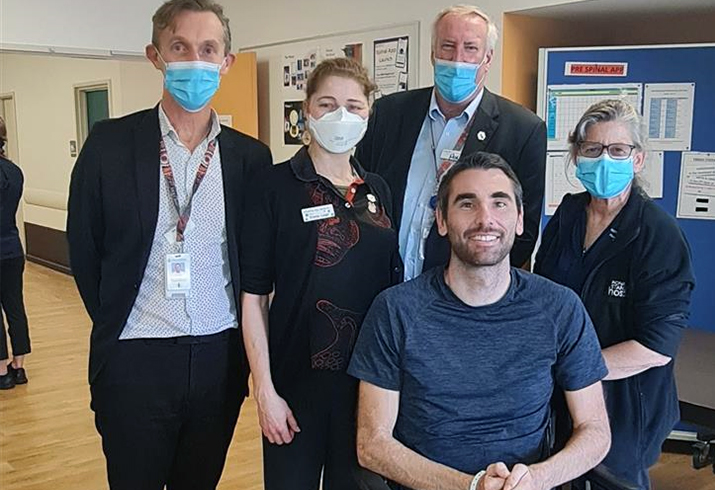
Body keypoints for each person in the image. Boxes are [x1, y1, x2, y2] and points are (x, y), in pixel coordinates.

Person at [66, 0, 272, 488]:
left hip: (219, 359)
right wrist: (120, 322)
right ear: (155, 55)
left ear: (227, 62)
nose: (195, 62)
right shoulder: (109, 145)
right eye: (180, 47)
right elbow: (85, 250)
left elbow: (255, 261)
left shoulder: (251, 159)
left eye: (208, 49)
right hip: (135, 358)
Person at [348, 152, 611, 490]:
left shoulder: (560, 308)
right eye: (467, 204)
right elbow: (372, 445)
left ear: (519, 220)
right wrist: (471, 486)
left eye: (500, 203)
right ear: (441, 221)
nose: (485, 219)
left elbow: (595, 429)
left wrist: (536, 479)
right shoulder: (395, 311)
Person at [240, 58, 402, 490]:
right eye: (327, 104)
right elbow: (253, 297)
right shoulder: (273, 186)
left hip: (368, 385)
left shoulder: (378, 190)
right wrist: (265, 391)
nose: (340, 116)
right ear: (307, 110)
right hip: (295, 383)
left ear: (369, 113)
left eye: (353, 105)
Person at [534, 99, 695, 490]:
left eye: (618, 150)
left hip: (625, 407)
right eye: (592, 149)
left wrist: (574, 369)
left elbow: (656, 346)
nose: (604, 159)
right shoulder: (568, 216)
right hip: (559, 401)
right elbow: (543, 297)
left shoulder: (657, 234)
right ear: (576, 155)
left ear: (637, 160)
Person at [356, 5, 546, 280]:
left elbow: (522, 233)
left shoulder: (522, 130)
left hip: (460, 298)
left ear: (488, 58)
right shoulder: (388, 114)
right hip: (380, 286)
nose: (458, 60)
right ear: (433, 53)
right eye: (448, 46)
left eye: (470, 48)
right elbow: (362, 195)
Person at [0, 115, 31, 390]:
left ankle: (1, 371)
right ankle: (19, 367)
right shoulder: (14, 172)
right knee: (15, 306)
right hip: (12, 249)